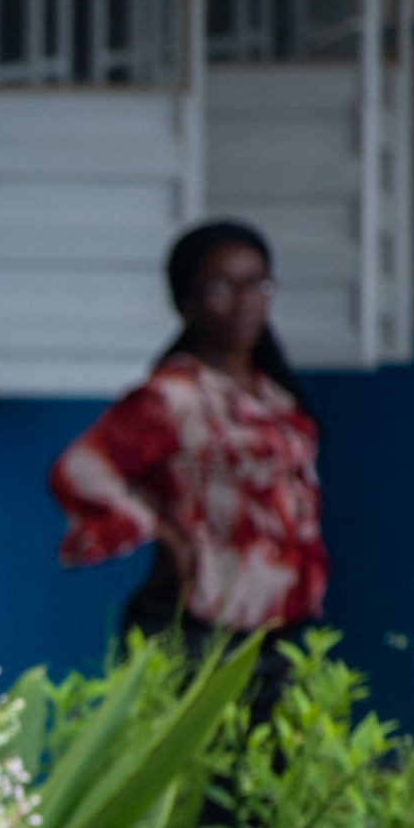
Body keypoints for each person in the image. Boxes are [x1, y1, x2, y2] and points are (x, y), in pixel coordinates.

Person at [50, 218, 326, 711]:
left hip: (276, 626)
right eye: (222, 286)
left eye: (257, 283)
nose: (244, 302)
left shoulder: (274, 395)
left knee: (273, 775)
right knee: (203, 778)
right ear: (187, 300)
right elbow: (81, 469)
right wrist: (164, 533)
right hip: (202, 625)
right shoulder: (174, 397)